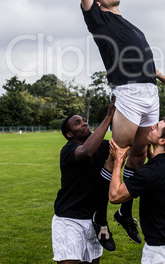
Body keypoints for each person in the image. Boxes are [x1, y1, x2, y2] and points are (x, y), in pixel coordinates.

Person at [43, 0, 165, 247]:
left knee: (140, 156)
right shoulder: (98, 19)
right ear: (97, 0)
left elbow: (143, 60)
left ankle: (123, 213)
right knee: (115, 156)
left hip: (149, 91)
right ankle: (101, 216)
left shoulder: (130, 24)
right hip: (128, 93)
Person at [109, 116, 165, 264]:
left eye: (156, 127)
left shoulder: (150, 172)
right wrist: (152, 156)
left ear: (162, 141)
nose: (151, 127)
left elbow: (115, 196)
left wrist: (118, 161)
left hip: (162, 250)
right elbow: (159, 171)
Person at [52, 97, 116, 264]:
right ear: (69, 134)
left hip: (94, 221)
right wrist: (108, 117)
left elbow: (124, 143)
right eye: (77, 123)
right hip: (70, 220)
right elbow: (86, 151)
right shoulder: (69, 150)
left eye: (83, 120)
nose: (84, 123)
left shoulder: (101, 147)